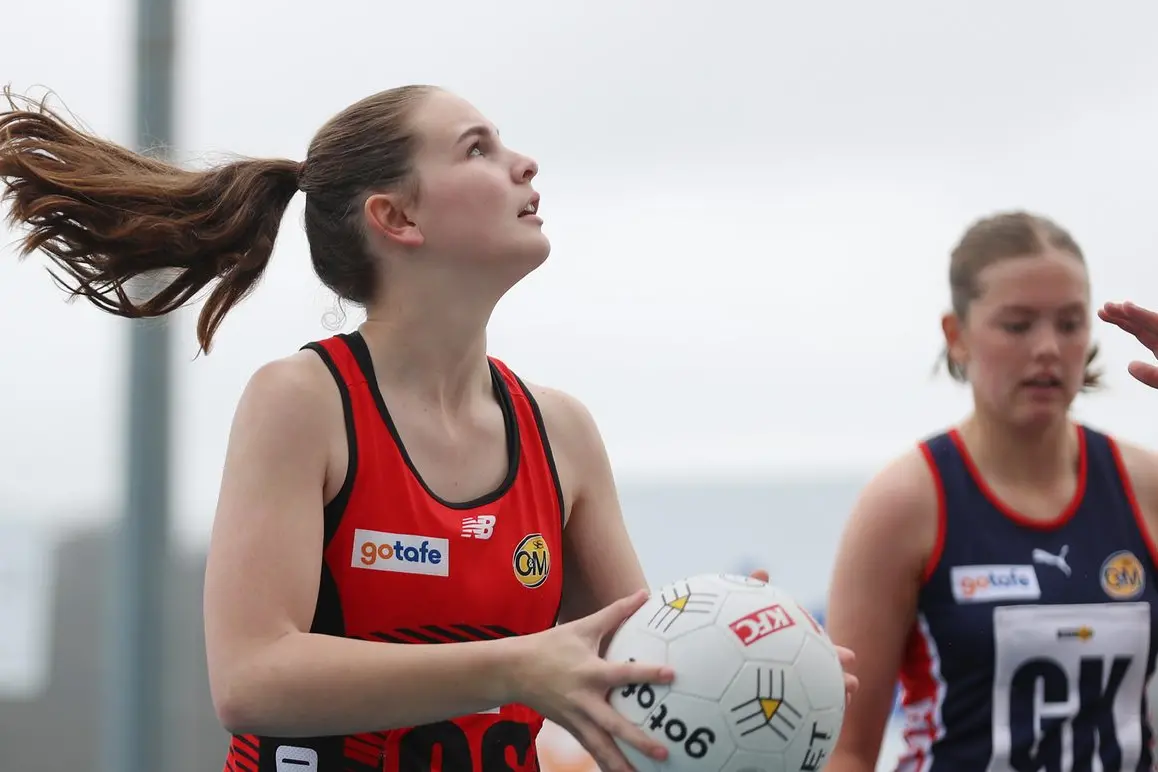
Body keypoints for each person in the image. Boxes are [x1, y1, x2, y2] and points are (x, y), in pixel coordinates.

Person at [0, 86, 854, 772]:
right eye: (478, 148)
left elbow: (625, 684)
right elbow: (253, 679)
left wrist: (755, 660)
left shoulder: (562, 431)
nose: (525, 163)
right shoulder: (305, 400)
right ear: (397, 219)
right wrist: (516, 666)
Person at [823, 210, 1158, 772]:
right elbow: (846, 749)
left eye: (1071, 323)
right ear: (957, 335)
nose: (1049, 347)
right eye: (1018, 325)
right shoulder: (905, 503)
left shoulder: (1143, 485)